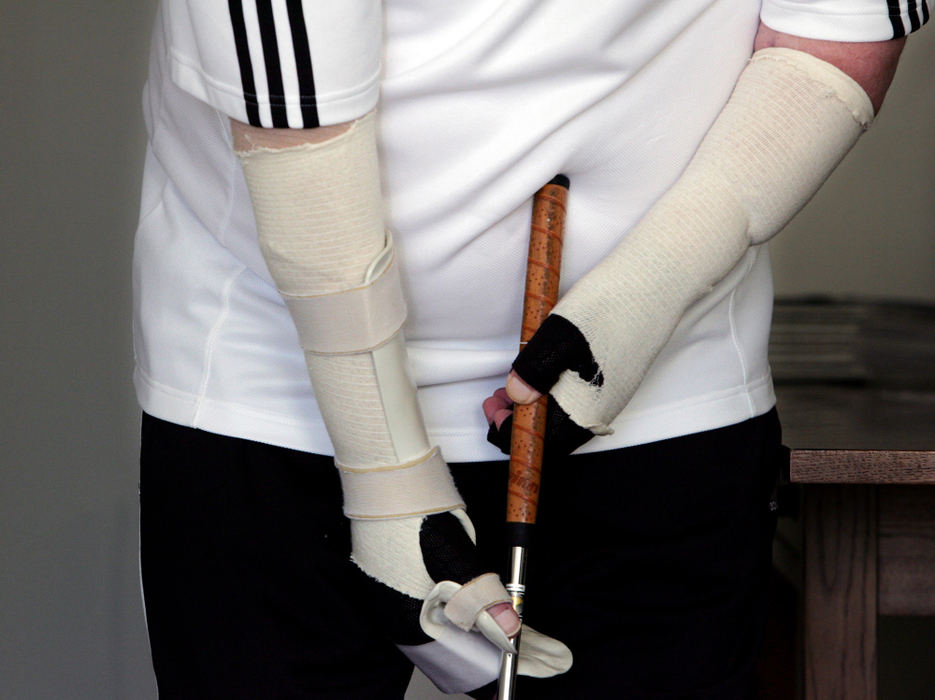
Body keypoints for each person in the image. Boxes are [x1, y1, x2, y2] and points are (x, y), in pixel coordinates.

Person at [133, 1, 926, 698]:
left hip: (661, 391)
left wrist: (635, 308)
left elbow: (836, 36)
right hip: (278, 395)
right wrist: (386, 483)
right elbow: (292, 113)